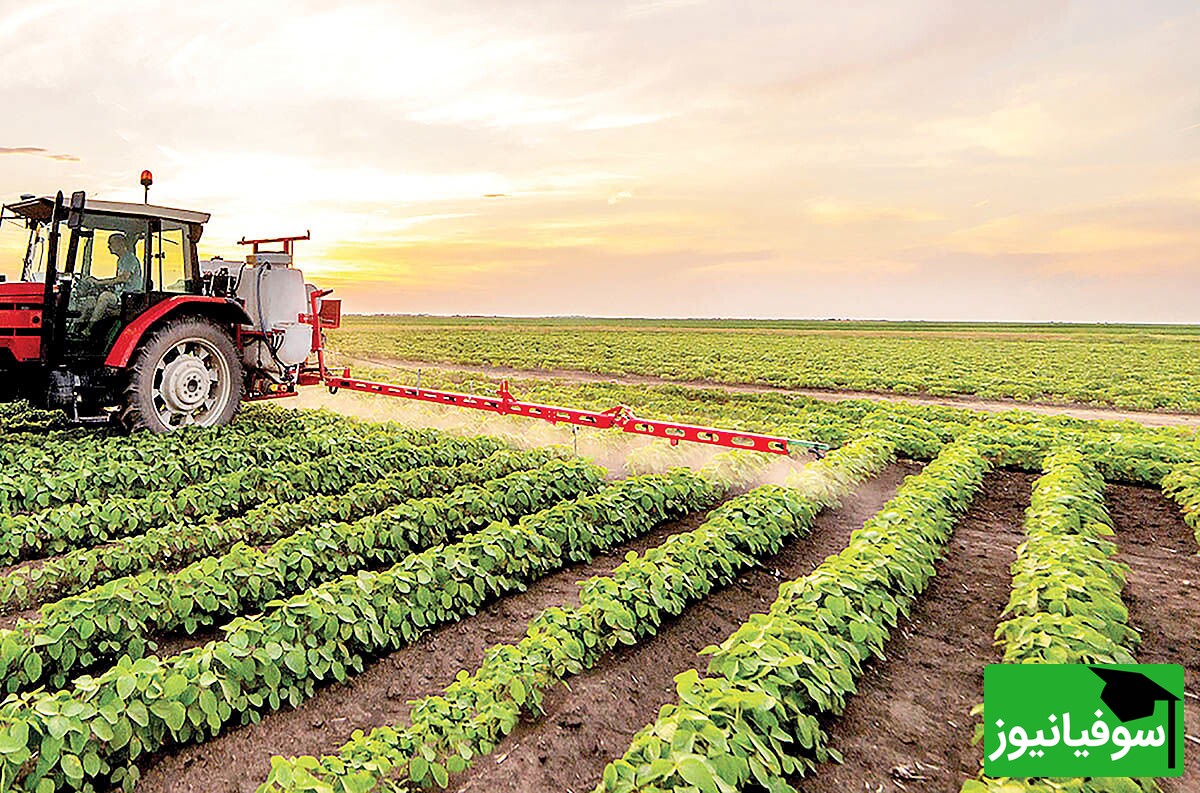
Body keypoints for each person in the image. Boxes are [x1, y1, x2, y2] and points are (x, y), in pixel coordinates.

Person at [83, 232, 143, 333]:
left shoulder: (129, 259)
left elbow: (123, 278)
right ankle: (76, 327)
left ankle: (88, 330)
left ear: (120, 244)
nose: (109, 246)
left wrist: (99, 282)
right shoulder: (121, 260)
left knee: (105, 297)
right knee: (90, 300)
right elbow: (118, 281)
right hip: (120, 294)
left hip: (128, 297)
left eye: (111, 243)